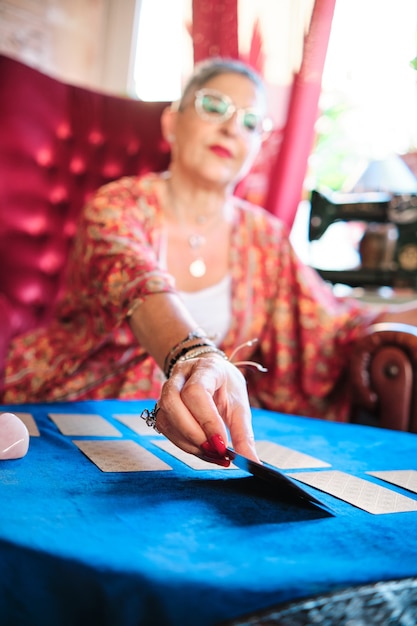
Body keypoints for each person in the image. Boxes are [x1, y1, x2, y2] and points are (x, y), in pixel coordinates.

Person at [2, 57, 417, 466]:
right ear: (171, 123)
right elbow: (138, 284)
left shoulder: (265, 238)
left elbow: (333, 322)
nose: (232, 125)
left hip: (196, 445)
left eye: (251, 121)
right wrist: (196, 357)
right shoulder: (116, 205)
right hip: (80, 410)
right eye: (214, 105)